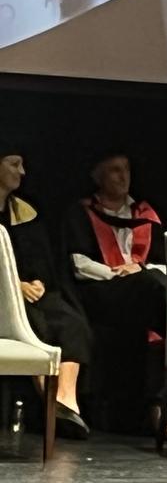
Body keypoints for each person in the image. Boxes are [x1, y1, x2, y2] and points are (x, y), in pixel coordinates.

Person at [63, 151, 167, 434]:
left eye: (126, 169)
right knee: (155, 291)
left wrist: (140, 270)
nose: (123, 177)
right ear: (97, 177)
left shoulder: (146, 215)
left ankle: (159, 404)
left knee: (157, 288)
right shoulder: (82, 211)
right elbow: (78, 263)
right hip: (100, 293)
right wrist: (118, 272)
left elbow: (164, 262)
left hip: (142, 290)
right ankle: (159, 406)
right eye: (114, 170)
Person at [0, 143, 91, 438]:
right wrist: (15, 286)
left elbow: (39, 259)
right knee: (34, 324)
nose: (22, 172)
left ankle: (66, 400)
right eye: (14, 164)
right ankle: (51, 405)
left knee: (70, 321)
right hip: (4, 299)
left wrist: (38, 280)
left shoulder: (25, 211)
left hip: (28, 294)